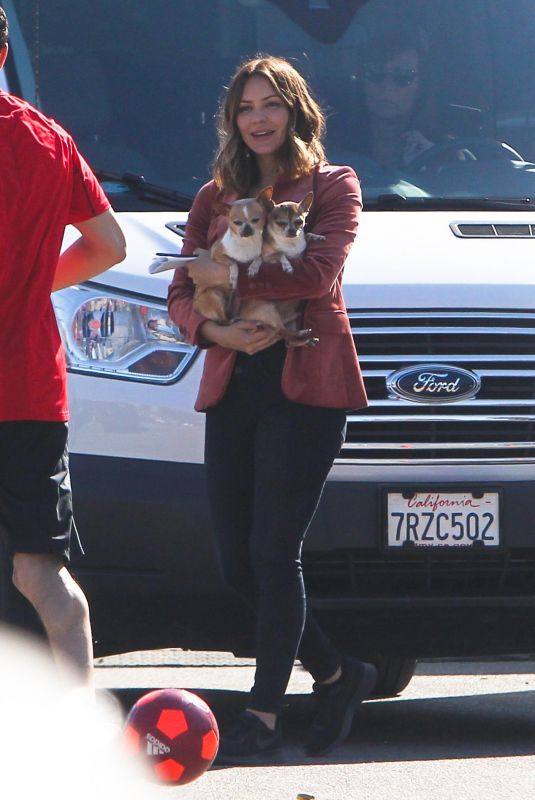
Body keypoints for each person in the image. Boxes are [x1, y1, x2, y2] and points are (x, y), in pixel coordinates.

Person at [167, 54, 377, 762]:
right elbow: (178, 292)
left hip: (307, 384)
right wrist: (210, 327)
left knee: (271, 551)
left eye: (271, 104)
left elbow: (318, 273)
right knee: (235, 563)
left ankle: (259, 716)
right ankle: (340, 675)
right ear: (232, 120)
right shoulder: (212, 195)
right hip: (233, 382)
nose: (258, 118)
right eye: (245, 107)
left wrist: (223, 271)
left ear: (295, 110)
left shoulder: (331, 186)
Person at [0, 6, 126, 692]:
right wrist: (26, 280)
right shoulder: (49, 138)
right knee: (39, 571)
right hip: (30, 391)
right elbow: (109, 246)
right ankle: (80, 735)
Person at [355, 32, 434, 169]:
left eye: (404, 76)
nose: (387, 87)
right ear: (362, 81)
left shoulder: (444, 150)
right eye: (375, 72)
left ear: (420, 87)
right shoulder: (331, 146)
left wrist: (431, 163)